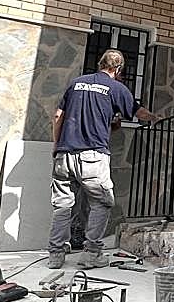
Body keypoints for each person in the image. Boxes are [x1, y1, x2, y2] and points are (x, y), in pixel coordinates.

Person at [47, 49, 154, 269]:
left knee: (62, 206)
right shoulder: (116, 87)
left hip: (64, 155)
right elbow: (138, 112)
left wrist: (57, 146)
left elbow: (58, 116)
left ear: (100, 64)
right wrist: (155, 117)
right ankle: (91, 254)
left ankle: (56, 256)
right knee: (102, 202)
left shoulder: (76, 83)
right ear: (118, 69)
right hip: (92, 157)